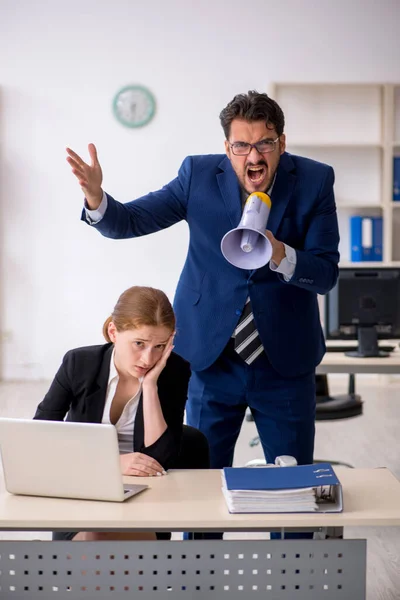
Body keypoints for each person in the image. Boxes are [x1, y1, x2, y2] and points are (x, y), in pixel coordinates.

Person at [66, 90, 340, 477]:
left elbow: (326, 274)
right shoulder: (197, 175)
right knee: (198, 485)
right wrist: (96, 198)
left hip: (285, 362)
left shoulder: (314, 180)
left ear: (282, 142)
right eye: (242, 145)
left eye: (265, 143)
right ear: (227, 147)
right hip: (210, 360)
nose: (254, 157)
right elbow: (128, 221)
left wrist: (280, 253)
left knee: (291, 489)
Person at [34, 285, 209, 541]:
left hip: (147, 494)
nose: (148, 359)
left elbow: (160, 459)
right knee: (96, 537)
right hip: (83, 487)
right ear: (114, 332)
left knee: (110, 545)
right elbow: (40, 439)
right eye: (139, 343)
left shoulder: (174, 371)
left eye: (160, 346)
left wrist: (149, 387)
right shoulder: (79, 364)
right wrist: (112, 464)